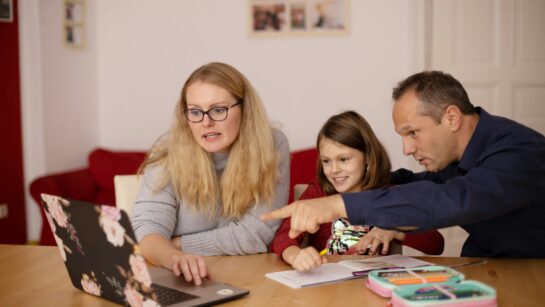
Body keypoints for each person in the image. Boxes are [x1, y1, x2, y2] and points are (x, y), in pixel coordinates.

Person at [263, 71, 545, 258]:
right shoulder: (454, 159)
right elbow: (422, 183)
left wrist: (339, 204)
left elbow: (452, 199)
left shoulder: (520, 152)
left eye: (413, 133)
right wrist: (368, 181)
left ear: (451, 118)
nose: (407, 149)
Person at [132, 62, 290, 285]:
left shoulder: (272, 144)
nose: (206, 122)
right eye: (195, 111)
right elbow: (147, 232)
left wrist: (176, 244)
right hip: (178, 278)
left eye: (218, 110)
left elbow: (257, 235)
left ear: (245, 109)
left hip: (249, 278)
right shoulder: (168, 150)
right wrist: (174, 256)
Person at [271, 111, 444, 271]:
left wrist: (396, 229)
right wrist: (296, 255)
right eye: (326, 161)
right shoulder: (318, 192)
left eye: (344, 159)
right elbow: (283, 236)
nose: (334, 169)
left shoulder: (389, 195)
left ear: (368, 157)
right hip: (327, 291)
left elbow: (436, 244)